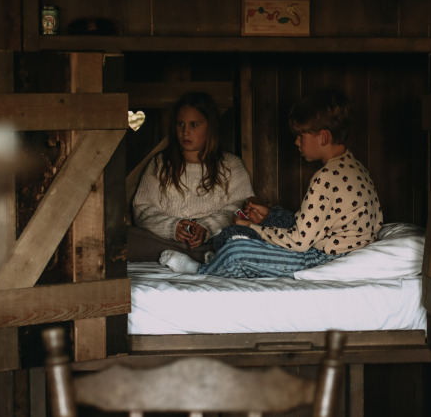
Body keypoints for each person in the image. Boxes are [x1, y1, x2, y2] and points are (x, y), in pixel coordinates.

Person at [160, 87, 383, 277]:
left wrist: (255, 228)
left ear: (323, 137)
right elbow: (315, 224)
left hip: (322, 260)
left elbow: (299, 242)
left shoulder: (325, 178)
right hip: (339, 250)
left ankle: (201, 270)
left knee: (238, 249)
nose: (296, 142)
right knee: (245, 236)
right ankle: (221, 259)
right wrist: (269, 217)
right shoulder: (355, 167)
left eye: (301, 136)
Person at [129, 91, 255, 262]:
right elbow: (142, 209)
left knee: (241, 239)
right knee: (128, 237)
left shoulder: (231, 165)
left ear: (210, 126)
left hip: (213, 241)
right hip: (166, 242)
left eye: (194, 125)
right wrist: (173, 227)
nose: (185, 131)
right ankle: (198, 257)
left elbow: (241, 209)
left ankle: (200, 255)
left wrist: (207, 227)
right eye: (180, 124)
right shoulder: (160, 163)